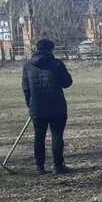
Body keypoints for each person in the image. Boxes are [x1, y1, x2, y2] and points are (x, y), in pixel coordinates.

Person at [22, 39, 73, 175]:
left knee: (39, 137)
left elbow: (26, 89)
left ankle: (40, 166)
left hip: (37, 107)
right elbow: (67, 83)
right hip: (57, 107)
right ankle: (58, 165)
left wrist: (30, 106)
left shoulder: (28, 66)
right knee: (57, 136)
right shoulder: (57, 64)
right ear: (51, 49)